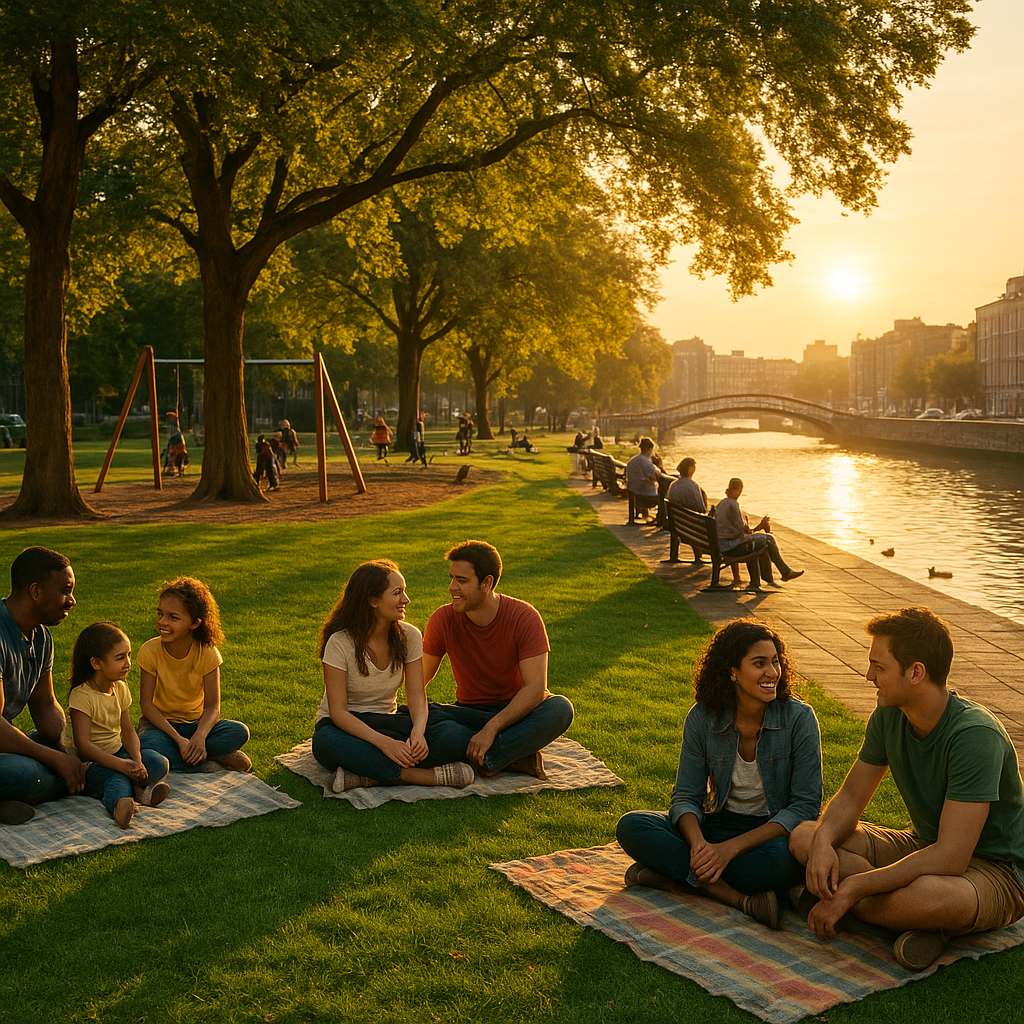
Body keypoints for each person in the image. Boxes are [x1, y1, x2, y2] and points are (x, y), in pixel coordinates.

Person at [789, 607, 1024, 970]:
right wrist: (822, 846)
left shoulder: (975, 736)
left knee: (928, 896)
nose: (868, 676)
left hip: (996, 870)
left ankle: (889, 912)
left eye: (879, 667)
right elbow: (851, 797)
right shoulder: (889, 714)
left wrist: (855, 887)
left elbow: (951, 858)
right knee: (805, 835)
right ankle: (912, 922)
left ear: (916, 672)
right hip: (923, 846)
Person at [617, 621, 822, 929]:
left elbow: (805, 806)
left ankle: (672, 875)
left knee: (778, 863)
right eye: (759, 663)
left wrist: (729, 851)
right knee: (633, 825)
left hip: (771, 836)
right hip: (718, 825)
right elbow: (687, 796)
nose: (772, 673)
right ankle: (736, 898)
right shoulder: (702, 717)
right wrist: (700, 845)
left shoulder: (799, 719)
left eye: (775, 661)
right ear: (732, 672)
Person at [312, 560, 473, 791]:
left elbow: (416, 693)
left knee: (454, 735)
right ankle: (419, 776)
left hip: (387, 721)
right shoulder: (340, 642)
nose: (406, 600)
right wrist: (385, 744)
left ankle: (367, 776)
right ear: (373, 600)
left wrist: (418, 733)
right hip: (345, 726)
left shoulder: (410, 636)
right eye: (397, 593)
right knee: (326, 744)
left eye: (404, 592)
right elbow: (338, 712)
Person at [422, 540, 574, 779]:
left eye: (462, 581)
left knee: (560, 708)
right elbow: (420, 677)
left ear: (487, 583)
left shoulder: (524, 617)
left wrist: (491, 729)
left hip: (516, 713)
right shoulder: (443, 619)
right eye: (451, 578)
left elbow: (535, 690)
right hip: (468, 713)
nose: (452, 587)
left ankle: (488, 759)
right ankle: (516, 756)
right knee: (436, 725)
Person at [0, 547, 83, 825]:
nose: (71, 601)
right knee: (25, 775)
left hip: (5, 745)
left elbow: (45, 704)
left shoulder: (41, 638)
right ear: (35, 592)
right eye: (65, 590)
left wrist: (65, 747)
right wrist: (58, 763)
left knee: (82, 757)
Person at [138, 577, 252, 773]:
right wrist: (178, 739)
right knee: (147, 744)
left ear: (195, 623)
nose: (162, 622)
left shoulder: (208, 653)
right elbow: (146, 706)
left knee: (239, 732)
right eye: (160, 614)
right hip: (161, 727)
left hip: (196, 726)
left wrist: (199, 736)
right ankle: (208, 760)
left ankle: (191, 755)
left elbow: (213, 707)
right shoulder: (150, 651)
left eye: (173, 617)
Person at [64, 622, 171, 829]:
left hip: (118, 753)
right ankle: (119, 806)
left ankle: (140, 793)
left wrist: (137, 761)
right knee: (116, 778)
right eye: (120, 658)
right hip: (91, 763)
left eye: (129, 655)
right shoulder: (82, 696)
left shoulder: (120, 688)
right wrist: (122, 766)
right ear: (96, 663)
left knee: (158, 763)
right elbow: (84, 746)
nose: (128, 663)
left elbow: (128, 730)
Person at [715, 478, 804, 584]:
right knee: (767, 540)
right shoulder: (733, 504)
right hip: (732, 547)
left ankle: (773, 576)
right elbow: (743, 530)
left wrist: (757, 528)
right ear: (739, 490)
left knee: (761, 542)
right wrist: (760, 526)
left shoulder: (721, 504)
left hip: (722, 544)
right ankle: (782, 572)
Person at [667, 457, 712, 567]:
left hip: (677, 524)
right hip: (691, 526)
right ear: (690, 469)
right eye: (694, 467)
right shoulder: (693, 486)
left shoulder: (673, 484)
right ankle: (698, 555)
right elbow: (701, 509)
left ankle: (674, 555)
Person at [625, 437, 663, 524]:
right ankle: (660, 520)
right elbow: (654, 476)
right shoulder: (646, 462)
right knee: (664, 497)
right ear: (650, 449)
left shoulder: (632, 461)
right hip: (647, 497)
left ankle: (639, 517)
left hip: (634, 494)